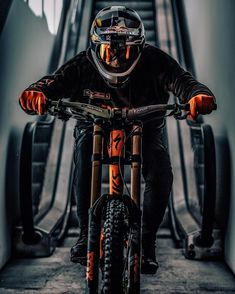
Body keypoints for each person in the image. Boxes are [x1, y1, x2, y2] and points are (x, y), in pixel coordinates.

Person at [19, 6, 216, 274]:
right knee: (85, 158)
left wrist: (197, 94)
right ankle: (86, 236)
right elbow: (54, 82)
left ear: (140, 47)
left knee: (161, 174)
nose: (115, 59)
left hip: (145, 128)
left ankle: (146, 242)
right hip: (94, 125)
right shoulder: (82, 64)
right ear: (95, 46)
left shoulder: (155, 61)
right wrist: (37, 92)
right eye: (108, 50)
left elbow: (182, 80)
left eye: (124, 51)